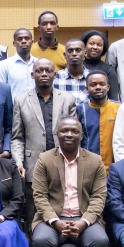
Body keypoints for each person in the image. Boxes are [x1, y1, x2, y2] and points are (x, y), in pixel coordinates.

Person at [31, 119, 109, 247]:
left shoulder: (94, 161)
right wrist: (55, 221)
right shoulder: (44, 159)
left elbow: (99, 197)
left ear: (81, 135)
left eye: (74, 131)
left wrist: (85, 222)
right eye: (64, 130)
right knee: (40, 241)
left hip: (84, 220)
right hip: (52, 221)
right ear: (57, 134)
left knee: (100, 241)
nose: (69, 134)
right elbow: (39, 196)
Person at [11, 58, 77, 233]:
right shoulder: (21, 100)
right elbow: (17, 137)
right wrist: (18, 162)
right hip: (33, 165)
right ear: (33, 75)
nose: (44, 74)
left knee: (63, 205)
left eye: (48, 70)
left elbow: (76, 134)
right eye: (39, 71)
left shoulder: (68, 99)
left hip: (62, 162)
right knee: (33, 210)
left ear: (55, 74)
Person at [76, 71, 121, 171]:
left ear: (108, 87)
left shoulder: (119, 108)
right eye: (93, 85)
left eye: (102, 84)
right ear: (87, 89)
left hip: (114, 168)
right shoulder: (81, 109)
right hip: (88, 168)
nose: (98, 87)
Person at [0, 28, 35, 101]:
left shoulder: (39, 64)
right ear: (14, 43)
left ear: (32, 42)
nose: (23, 41)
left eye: (27, 38)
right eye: (19, 39)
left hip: (37, 110)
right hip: (13, 110)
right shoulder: (4, 65)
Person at [81, 30, 121, 102]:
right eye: (91, 44)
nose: (95, 47)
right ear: (84, 46)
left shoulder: (109, 70)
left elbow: (113, 98)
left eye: (99, 45)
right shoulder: (78, 67)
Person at [53, 38, 91, 104]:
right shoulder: (55, 78)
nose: (74, 54)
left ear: (85, 53)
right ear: (65, 55)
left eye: (78, 50)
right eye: (70, 51)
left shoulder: (92, 77)